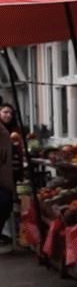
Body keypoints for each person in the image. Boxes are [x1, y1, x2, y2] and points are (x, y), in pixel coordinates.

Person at [0, 102, 15, 255]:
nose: (8, 115)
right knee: (4, 204)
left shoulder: (11, 130)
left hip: (9, 176)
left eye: (10, 113)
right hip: (2, 177)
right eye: (5, 112)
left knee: (8, 205)